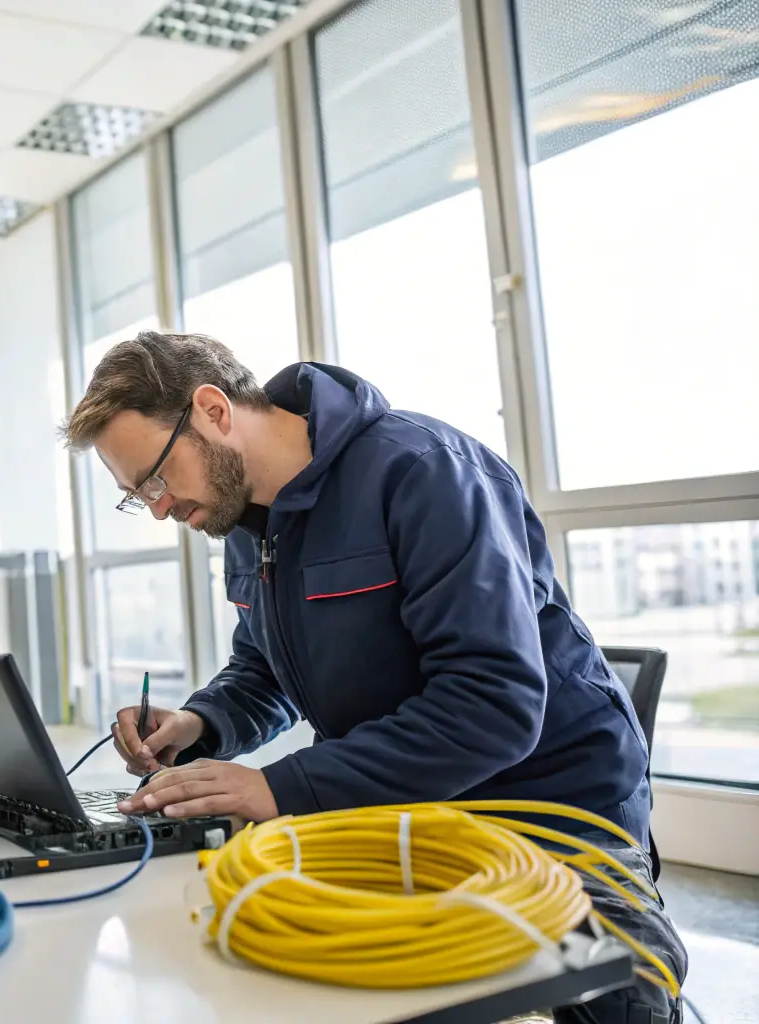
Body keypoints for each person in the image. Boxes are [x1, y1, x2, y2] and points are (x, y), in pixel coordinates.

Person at [60, 330, 687, 1024]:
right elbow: (264, 667)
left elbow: (492, 706)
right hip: (398, 814)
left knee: (615, 998)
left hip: (548, 812)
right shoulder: (242, 519)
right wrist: (199, 722)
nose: (157, 508)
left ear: (212, 410)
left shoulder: (423, 471)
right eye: (135, 496)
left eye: (155, 478)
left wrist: (280, 787)